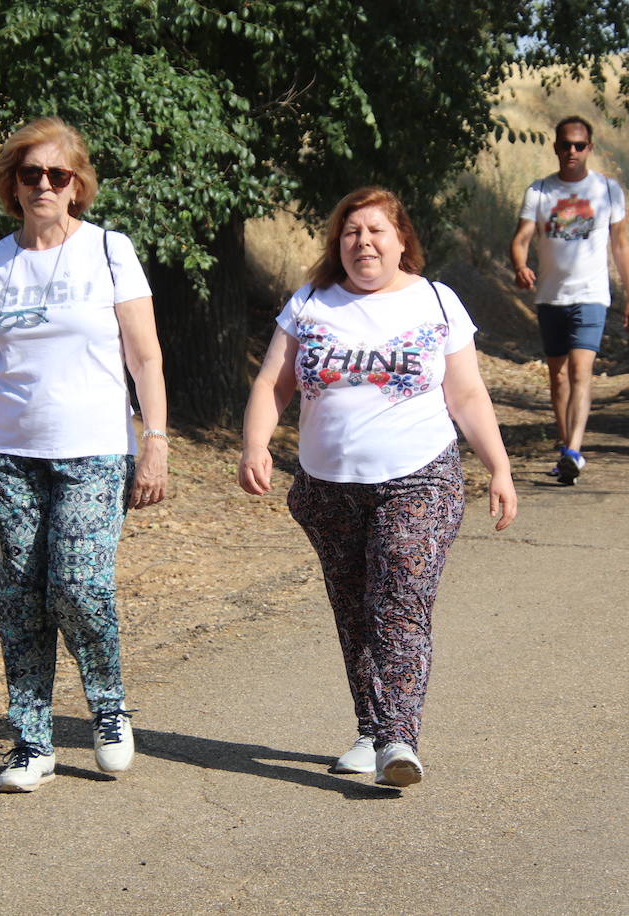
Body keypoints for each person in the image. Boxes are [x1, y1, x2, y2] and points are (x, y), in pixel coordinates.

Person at [240, 187, 517, 789]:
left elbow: (466, 395)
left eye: (375, 232)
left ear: (401, 242)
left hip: (420, 477)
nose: (362, 243)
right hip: (327, 486)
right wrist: (256, 444)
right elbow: (272, 385)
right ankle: (371, 729)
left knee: (398, 603)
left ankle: (399, 737)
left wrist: (498, 466)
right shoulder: (310, 302)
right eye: (350, 233)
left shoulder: (436, 302)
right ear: (338, 244)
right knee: (354, 608)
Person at [0, 117, 169, 791]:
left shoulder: (109, 252)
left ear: (76, 185)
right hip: (7, 455)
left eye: (56, 175)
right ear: (13, 184)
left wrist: (155, 442)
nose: (42, 184)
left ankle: (109, 705)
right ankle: (32, 742)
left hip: (95, 450)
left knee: (79, 586)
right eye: (29, 173)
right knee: (19, 601)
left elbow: (145, 357)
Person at [511, 115, 629, 484]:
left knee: (581, 372)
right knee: (558, 378)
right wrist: (520, 264)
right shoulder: (539, 191)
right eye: (565, 144)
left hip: (591, 295)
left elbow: (621, 245)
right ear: (555, 147)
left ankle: (573, 450)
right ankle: (567, 449)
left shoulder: (608, 189)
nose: (572, 151)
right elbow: (521, 238)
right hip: (551, 296)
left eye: (579, 145)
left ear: (590, 148)